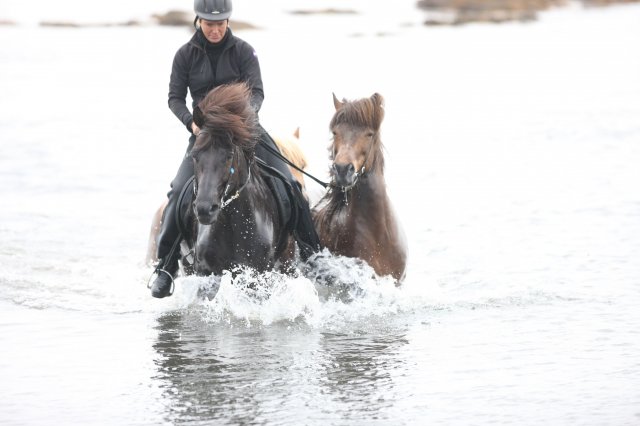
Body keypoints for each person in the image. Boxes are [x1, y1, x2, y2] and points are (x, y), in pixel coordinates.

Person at [150, 0, 321, 298]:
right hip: (204, 134)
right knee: (178, 191)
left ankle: (314, 258)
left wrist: (245, 118)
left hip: (246, 131)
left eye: (220, 23)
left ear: (228, 21)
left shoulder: (244, 51)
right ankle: (165, 269)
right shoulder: (185, 55)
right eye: (208, 23)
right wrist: (191, 123)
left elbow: (257, 92)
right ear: (198, 21)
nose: (215, 29)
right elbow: (175, 98)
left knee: (291, 186)